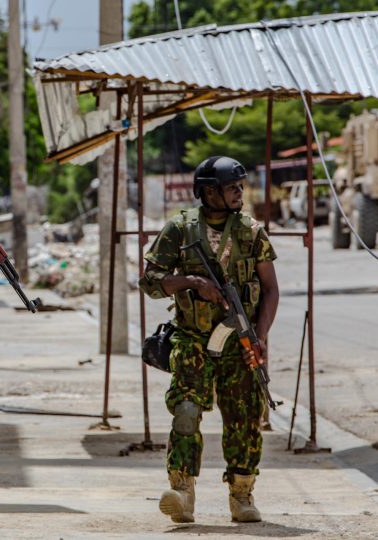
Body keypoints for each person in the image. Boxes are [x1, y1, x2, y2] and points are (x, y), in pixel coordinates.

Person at [139, 156, 280, 524]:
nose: (239, 192)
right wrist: (191, 282)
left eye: (240, 186)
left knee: (246, 418)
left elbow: (270, 290)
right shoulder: (181, 229)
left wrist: (259, 336)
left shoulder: (250, 231)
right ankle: (182, 491)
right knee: (186, 410)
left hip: (239, 341)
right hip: (192, 338)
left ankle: (242, 493)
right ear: (208, 192)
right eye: (231, 187)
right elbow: (150, 281)